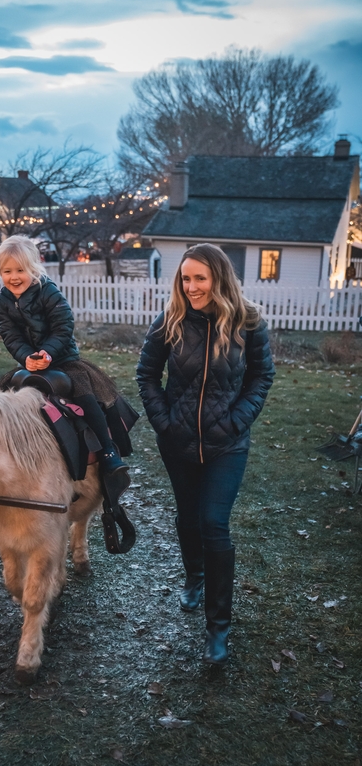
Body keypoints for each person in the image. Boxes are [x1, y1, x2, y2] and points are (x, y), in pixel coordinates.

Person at [136, 243, 275, 665]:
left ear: (218, 277)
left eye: (200, 277)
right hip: (178, 442)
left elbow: (261, 375)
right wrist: (165, 421)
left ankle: (218, 628)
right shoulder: (170, 320)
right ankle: (194, 576)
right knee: (187, 515)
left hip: (226, 444)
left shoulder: (248, 321)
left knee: (213, 523)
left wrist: (236, 421)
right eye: (185, 277)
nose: (191, 286)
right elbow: (146, 375)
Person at [0, 235, 127, 475]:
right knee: (2, 396)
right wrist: (26, 357)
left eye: (20, 270)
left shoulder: (48, 291)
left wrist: (49, 352)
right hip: (29, 362)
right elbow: (9, 333)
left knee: (85, 395)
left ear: (34, 269)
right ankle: (2, 452)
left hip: (63, 359)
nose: (13, 277)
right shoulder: (3, 299)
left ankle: (107, 451)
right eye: (7, 271)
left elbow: (64, 325)